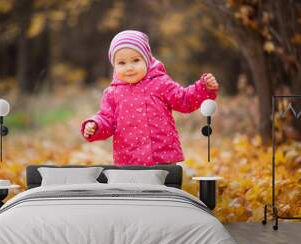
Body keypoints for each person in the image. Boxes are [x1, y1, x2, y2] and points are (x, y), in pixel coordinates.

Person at [80, 30, 219, 166]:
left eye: (135, 60)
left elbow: (184, 100)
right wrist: (95, 125)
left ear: (147, 60)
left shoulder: (160, 83)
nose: (129, 68)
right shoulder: (112, 93)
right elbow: (107, 119)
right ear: (114, 66)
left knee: (165, 188)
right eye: (121, 63)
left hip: (163, 157)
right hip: (128, 160)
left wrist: (203, 88)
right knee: (133, 189)